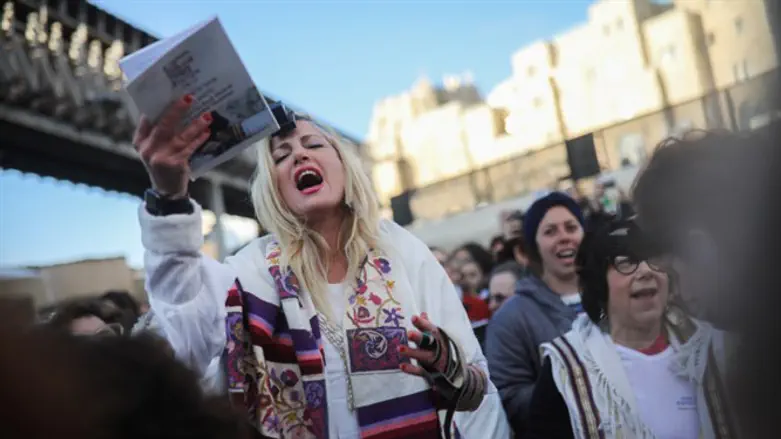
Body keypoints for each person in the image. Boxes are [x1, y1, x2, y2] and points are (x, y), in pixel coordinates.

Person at [133, 96, 509, 439]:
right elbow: (184, 333)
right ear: (273, 189)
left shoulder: (401, 251)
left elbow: (478, 388)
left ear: (345, 167)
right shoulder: (250, 272)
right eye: (281, 156)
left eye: (313, 145)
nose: (299, 156)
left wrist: (445, 363)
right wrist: (169, 198)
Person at [527, 219, 735, 439]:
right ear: (599, 283)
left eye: (653, 260)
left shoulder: (711, 347)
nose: (646, 271)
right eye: (626, 262)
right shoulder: (568, 369)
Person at [485, 192, 585, 434]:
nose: (564, 237)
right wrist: (576, 387)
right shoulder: (510, 319)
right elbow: (509, 398)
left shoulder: (615, 295)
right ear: (529, 250)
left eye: (571, 227)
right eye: (550, 231)